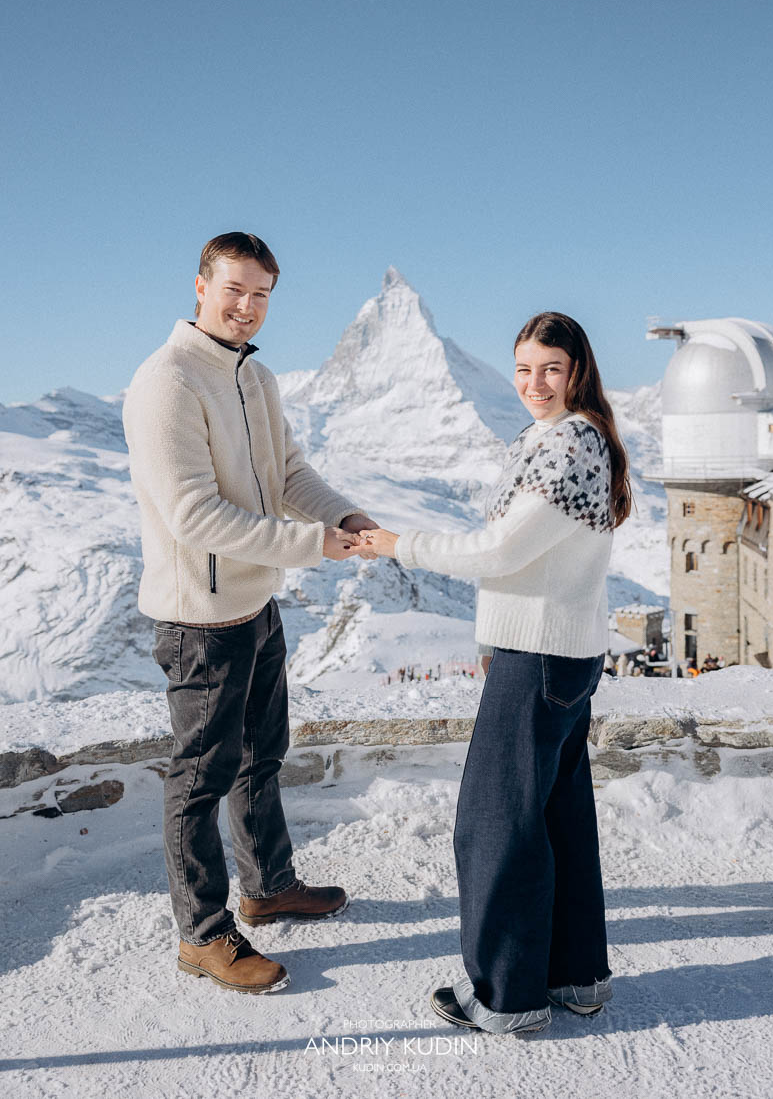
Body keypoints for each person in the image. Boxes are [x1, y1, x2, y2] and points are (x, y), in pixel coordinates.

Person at [361, 311, 632, 1035]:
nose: (534, 383)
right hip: (562, 651)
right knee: (556, 818)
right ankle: (577, 976)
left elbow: (501, 552)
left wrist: (397, 543)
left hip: (539, 655)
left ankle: (506, 997)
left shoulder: (568, 442)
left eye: (550, 368)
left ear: (576, 370)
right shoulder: (571, 437)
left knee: (494, 825)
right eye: (522, 369)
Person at [123, 232, 377, 995]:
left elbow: (290, 473)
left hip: (254, 602)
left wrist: (350, 517)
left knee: (261, 757)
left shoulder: (253, 377)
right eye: (233, 289)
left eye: (261, 293)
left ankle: (267, 889)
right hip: (199, 620)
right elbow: (194, 513)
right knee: (199, 779)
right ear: (199, 285)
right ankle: (202, 936)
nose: (246, 305)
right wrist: (311, 544)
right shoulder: (167, 381)